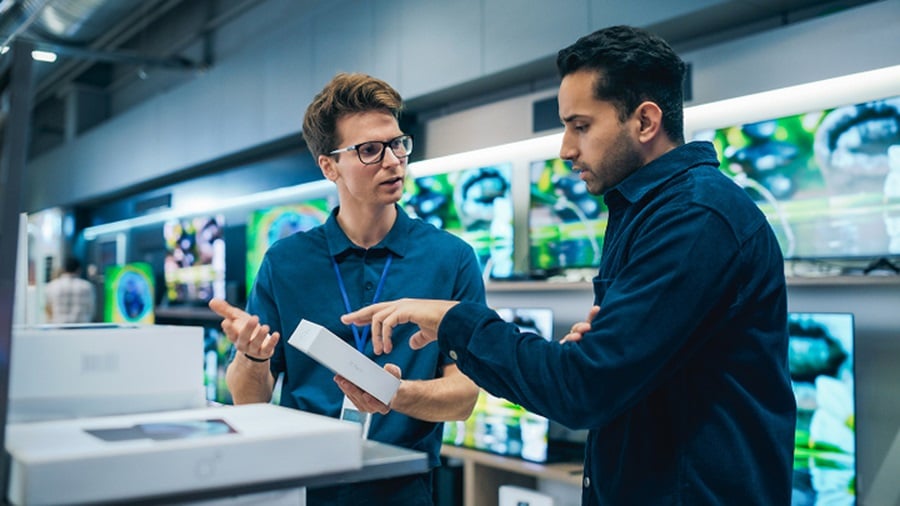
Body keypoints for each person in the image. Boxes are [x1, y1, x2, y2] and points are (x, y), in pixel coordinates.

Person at [342, 26, 797, 506]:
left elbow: (582, 389)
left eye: (580, 126)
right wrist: (603, 351)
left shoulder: (694, 220)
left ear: (645, 121)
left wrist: (455, 320)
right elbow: (611, 374)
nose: (565, 149)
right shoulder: (648, 211)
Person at [209, 72, 485, 506]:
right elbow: (250, 400)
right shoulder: (285, 262)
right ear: (329, 166)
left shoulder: (451, 258)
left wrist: (395, 393)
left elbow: (464, 396)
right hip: (304, 487)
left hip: (405, 488)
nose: (393, 161)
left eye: (398, 144)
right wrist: (252, 356)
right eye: (370, 151)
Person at [44, 256, 96, 323]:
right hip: (81, 329)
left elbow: (48, 310)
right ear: (78, 269)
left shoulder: (51, 286)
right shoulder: (87, 287)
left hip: (58, 328)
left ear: (63, 269)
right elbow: (91, 310)